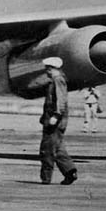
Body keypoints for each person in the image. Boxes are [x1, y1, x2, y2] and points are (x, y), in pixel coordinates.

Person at [38, 56, 78, 185]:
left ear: (51, 69)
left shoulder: (57, 80)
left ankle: (46, 178)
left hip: (55, 121)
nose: (46, 72)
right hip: (51, 119)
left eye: (47, 69)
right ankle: (70, 172)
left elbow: (61, 100)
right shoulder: (55, 80)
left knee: (47, 150)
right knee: (58, 149)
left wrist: (56, 116)